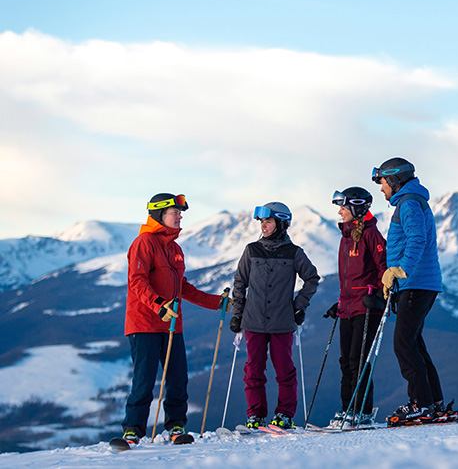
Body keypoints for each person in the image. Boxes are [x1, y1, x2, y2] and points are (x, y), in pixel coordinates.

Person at [121, 193, 225, 445]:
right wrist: (159, 306)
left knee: (178, 378)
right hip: (144, 323)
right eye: (175, 213)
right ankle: (132, 430)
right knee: (144, 379)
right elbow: (137, 281)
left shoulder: (175, 249)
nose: (180, 217)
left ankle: (176, 427)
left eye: (180, 213)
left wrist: (217, 302)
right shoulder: (143, 243)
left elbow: (183, 288)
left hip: (171, 325)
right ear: (159, 214)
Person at [371, 157, 457, 426]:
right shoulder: (410, 202)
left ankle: (420, 404)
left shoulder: (408, 203)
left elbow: (417, 239)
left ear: (394, 180)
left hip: (417, 283)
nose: (381, 188)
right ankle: (434, 403)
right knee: (414, 344)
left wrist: (400, 270)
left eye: (382, 182)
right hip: (417, 284)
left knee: (403, 343)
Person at [229, 201, 320, 430]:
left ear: (281, 224)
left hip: (282, 322)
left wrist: (299, 306)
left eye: (268, 221)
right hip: (253, 321)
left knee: (285, 372)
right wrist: (237, 314)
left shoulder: (294, 253)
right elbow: (239, 282)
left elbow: (312, 278)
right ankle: (255, 416)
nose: (263, 226)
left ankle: (284, 415)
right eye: (262, 222)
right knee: (253, 372)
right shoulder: (252, 250)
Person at [324, 187, 388, 428]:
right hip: (348, 306)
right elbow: (348, 279)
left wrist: (380, 296)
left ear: (356, 208)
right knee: (345, 361)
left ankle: (362, 411)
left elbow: (384, 266)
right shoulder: (346, 237)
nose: (339, 212)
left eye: (343, 207)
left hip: (367, 306)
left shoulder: (371, 234)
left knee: (358, 360)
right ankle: (347, 409)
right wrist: (340, 303)